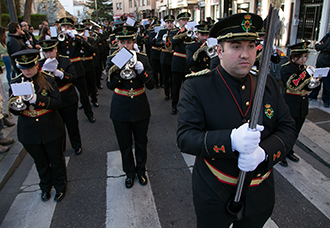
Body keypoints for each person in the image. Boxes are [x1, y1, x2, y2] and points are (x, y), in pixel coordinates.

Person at [177, 13, 297, 227]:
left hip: (259, 190)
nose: (245, 54)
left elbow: (287, 127)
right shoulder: (197, 86)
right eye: (236, 46)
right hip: (214, 188)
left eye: (251, 46)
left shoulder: (266, 83)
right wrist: (230, 140)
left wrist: (264, 153)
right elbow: (186, 137)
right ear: (220, 51)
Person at [9, 49, 66, 202]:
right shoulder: (16, 82)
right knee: (40, 162)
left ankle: (60, 185)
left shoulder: (48, 79)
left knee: (56, 159)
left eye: (30, 67)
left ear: (36, 65)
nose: (27, 71)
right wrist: (18, 105)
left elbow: (57, 103)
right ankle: (45, 187)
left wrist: (36, 99)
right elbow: (13, 110)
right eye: (23, 68)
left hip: (51, 127)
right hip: (29, 130)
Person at [105, 25, 154, 189]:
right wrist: (119, 67)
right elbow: (110, 85)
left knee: (141, 142)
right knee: (125, 144)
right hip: (120, 107)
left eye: (128, 42)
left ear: (134, 42)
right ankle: (129, 173)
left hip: (140, 105)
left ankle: (141, 171)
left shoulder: (143, 58)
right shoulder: (112, 59)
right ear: (117, 43)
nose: (125, 46)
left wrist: (141, 70)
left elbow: (152, 85)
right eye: (122, 42)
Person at [38, 39, 83, 156]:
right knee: (57, 126)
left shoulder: (64, 60)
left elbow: (73, 77)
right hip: (52, 100)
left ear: (56, 49)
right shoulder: (39, 64)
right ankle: (61, 147)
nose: (48, 54)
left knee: (72, 123)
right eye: (45, 52)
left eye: (50, 51)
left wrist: (60, 74)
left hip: (67, 97)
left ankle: (76, 145)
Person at [56, 17, 96, 123]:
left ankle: (89, 114)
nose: (65, 29)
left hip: (77, 68)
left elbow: (89, 47)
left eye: (68, 27)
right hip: (65, 69)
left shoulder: (76, 38)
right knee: (64, 93)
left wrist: (75, 37)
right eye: (63, 26)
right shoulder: (58, 39)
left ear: (71, 27)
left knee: (83, 93)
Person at [279, 42, 312, 167]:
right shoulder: (286, 68)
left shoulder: (304, 69)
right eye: (301, 57)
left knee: (296, 131)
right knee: (286, 131)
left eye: (305, 56)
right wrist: (306, 74)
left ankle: (289, 151)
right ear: (294, 56)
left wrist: (314, 82)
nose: (304, 60)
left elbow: (307, 86)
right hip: (290, 104)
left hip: (302, 104)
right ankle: (281, 154)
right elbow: (292, 85)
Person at [169, 12, 191, 115]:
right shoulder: (174, 32)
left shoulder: (192, 32)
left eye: (187, 20)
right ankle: (174, 105)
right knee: (175, 87)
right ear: (179, 22)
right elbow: (173, 42)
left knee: (188, 87)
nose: (186, 22)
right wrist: (183, 32)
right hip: (177, 62)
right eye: (183, 20)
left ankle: (187, 107)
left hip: (187, 63)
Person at [155, 14, 177, 101]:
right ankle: (166, 93)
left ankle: (173, 93)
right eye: (168, 22)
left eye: (171, 22)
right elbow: (157, 42)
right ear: (165, 23)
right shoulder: (162, 32)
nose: (169, 24)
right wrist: (163, 42)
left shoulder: (176, 32)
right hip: (164, 56)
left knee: (173, 77)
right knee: (165, 77)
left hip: (173, 56)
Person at [308, 24, 330, 107]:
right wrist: (325, 46)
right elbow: (317, 46)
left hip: (328, 64)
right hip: (320, 62)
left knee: (327, 83)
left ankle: (326, 100)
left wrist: (323, 47)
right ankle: (313, 95)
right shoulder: (326, 36)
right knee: (317, 80)